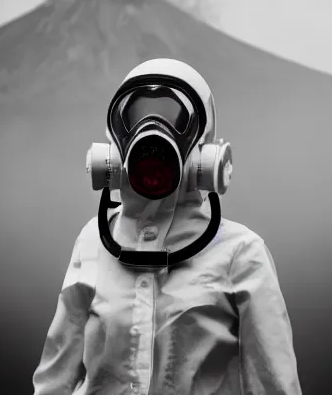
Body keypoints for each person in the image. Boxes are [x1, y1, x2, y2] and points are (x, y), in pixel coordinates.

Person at [32, 58, 302, 395]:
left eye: (176, 120)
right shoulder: (94, 241)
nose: (153, 132)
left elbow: (275, 388)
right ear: (114, 143)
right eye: (137, 118)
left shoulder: (242, 254)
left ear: (206, 152)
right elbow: (54, 379)